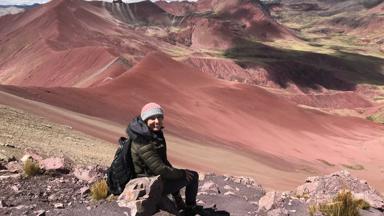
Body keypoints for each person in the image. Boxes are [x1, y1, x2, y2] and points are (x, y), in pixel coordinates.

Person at [127, 102, 202, 215]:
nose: (157, 121)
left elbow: (163, 163)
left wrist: (177, 194)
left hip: (155, 179)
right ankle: (191, 208)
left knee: (181, 174)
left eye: (159, 117)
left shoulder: (153, 134)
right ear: (145, 120)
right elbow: (160, 169)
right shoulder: (142, 141)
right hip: (149, 184)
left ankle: (183, 205)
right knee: (193, 176)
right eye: (152, 118)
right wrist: (181, 173)